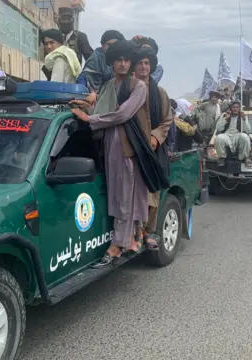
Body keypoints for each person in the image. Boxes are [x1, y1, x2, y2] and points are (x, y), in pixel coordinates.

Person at [69, 40, 152, 266]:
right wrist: (86, 108)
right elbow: (102, 111)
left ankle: (118, 245)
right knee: (117, 196)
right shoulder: (107, 86)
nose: (123, 63)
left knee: (124, 197)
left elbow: (122, 115)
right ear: (112, 62)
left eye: (126, 59)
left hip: (126, 147)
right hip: (107, 146)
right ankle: (131, 238)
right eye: (118, 59)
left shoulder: (138, 87)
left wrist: (89, 118)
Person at [131, 46, 174, 249]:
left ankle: (148, 231)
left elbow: (167, 120)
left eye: (147, 63)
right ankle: (136, 232)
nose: (143, 67)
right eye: (140, 63)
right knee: (134, 192)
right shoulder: (127, 88)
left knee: (151, 192)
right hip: (132, 147)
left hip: (154, 149)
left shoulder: (160, 92)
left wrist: (156, 137)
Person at [215, 101, 252, 167]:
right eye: (234, 107)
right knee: (219, 138)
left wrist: (244, 119)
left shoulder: (242, 115)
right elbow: (218, 128)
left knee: (245, 137)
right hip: (227, 135)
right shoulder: (224, 115)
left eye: (237, 107)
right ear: (231, 108)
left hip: (238, 134)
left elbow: (247, 129)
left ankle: (244, 157)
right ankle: (222, 158)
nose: (235, 109)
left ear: (239, 108)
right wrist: (226, 119)